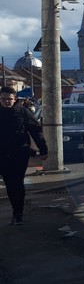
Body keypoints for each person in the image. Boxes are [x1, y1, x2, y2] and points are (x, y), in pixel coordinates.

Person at [0, 86, 48, 225]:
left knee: (16, 183)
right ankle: (16, 211)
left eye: (9, 99)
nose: (6, 101)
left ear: (15, 99)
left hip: (19, 154)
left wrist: (43, 150)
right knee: (9, 183)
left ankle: (18, 213)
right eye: (4, 99)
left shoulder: (22, 112)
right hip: (1, 154)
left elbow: (36, 131)